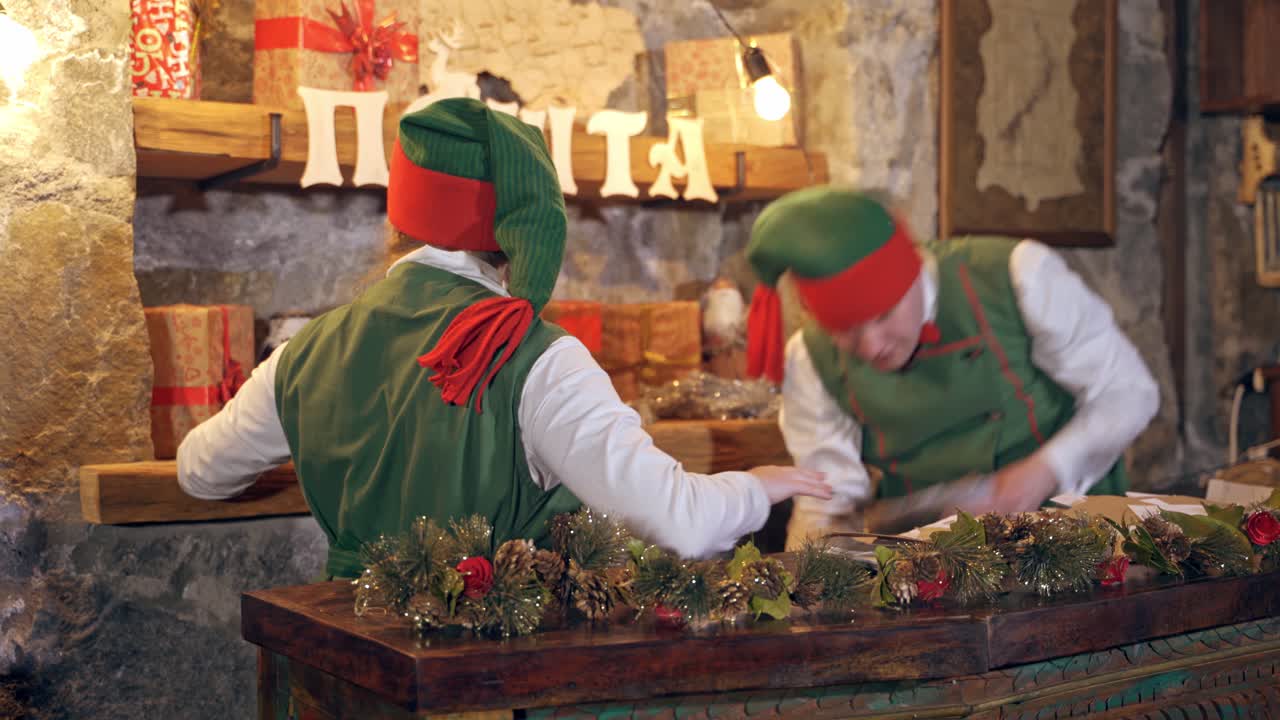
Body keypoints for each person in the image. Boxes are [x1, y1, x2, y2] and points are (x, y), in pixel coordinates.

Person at [175, 98, 830, 578]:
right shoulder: (538, 359)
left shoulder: (304, 354)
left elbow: (199, 471)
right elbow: (677, 522)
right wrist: (757, 486)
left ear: (400, 216)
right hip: (488, 668)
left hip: (350, 661)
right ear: (521, 226)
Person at [741, 187, 1159, 548]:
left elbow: (1128, 392)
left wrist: (1043, 471)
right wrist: (808, 590)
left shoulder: (1016, 274)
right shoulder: (810, 358)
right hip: (927, 566)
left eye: (885, 315)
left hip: (1077, 540)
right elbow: (826, 500)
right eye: (844, 331)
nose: (870, 345)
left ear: (912, 275)